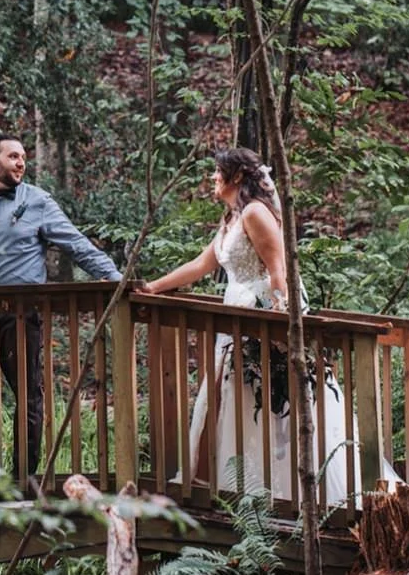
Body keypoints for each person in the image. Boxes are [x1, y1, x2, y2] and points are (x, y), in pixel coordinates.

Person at [139, 147, 369, 504]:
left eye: (218, 171)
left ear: (236, 176)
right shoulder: (232, 217)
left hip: (261, 315)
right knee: (238, 398)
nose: (213, 177)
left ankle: (290, 494)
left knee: (273, 401)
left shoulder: (256, 213)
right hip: (236, 315)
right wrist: (153, 287)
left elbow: (279, 270)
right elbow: (201, 264)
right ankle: (242, 492)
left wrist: (281, 325)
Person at [0, 133, 120, 482]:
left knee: (28, 393)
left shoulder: (38, 201)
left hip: (20, 314)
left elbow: (77, 245)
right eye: (14, 157)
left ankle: (23, 480)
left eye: (23, 157)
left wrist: (117, 279)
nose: (21, 163)